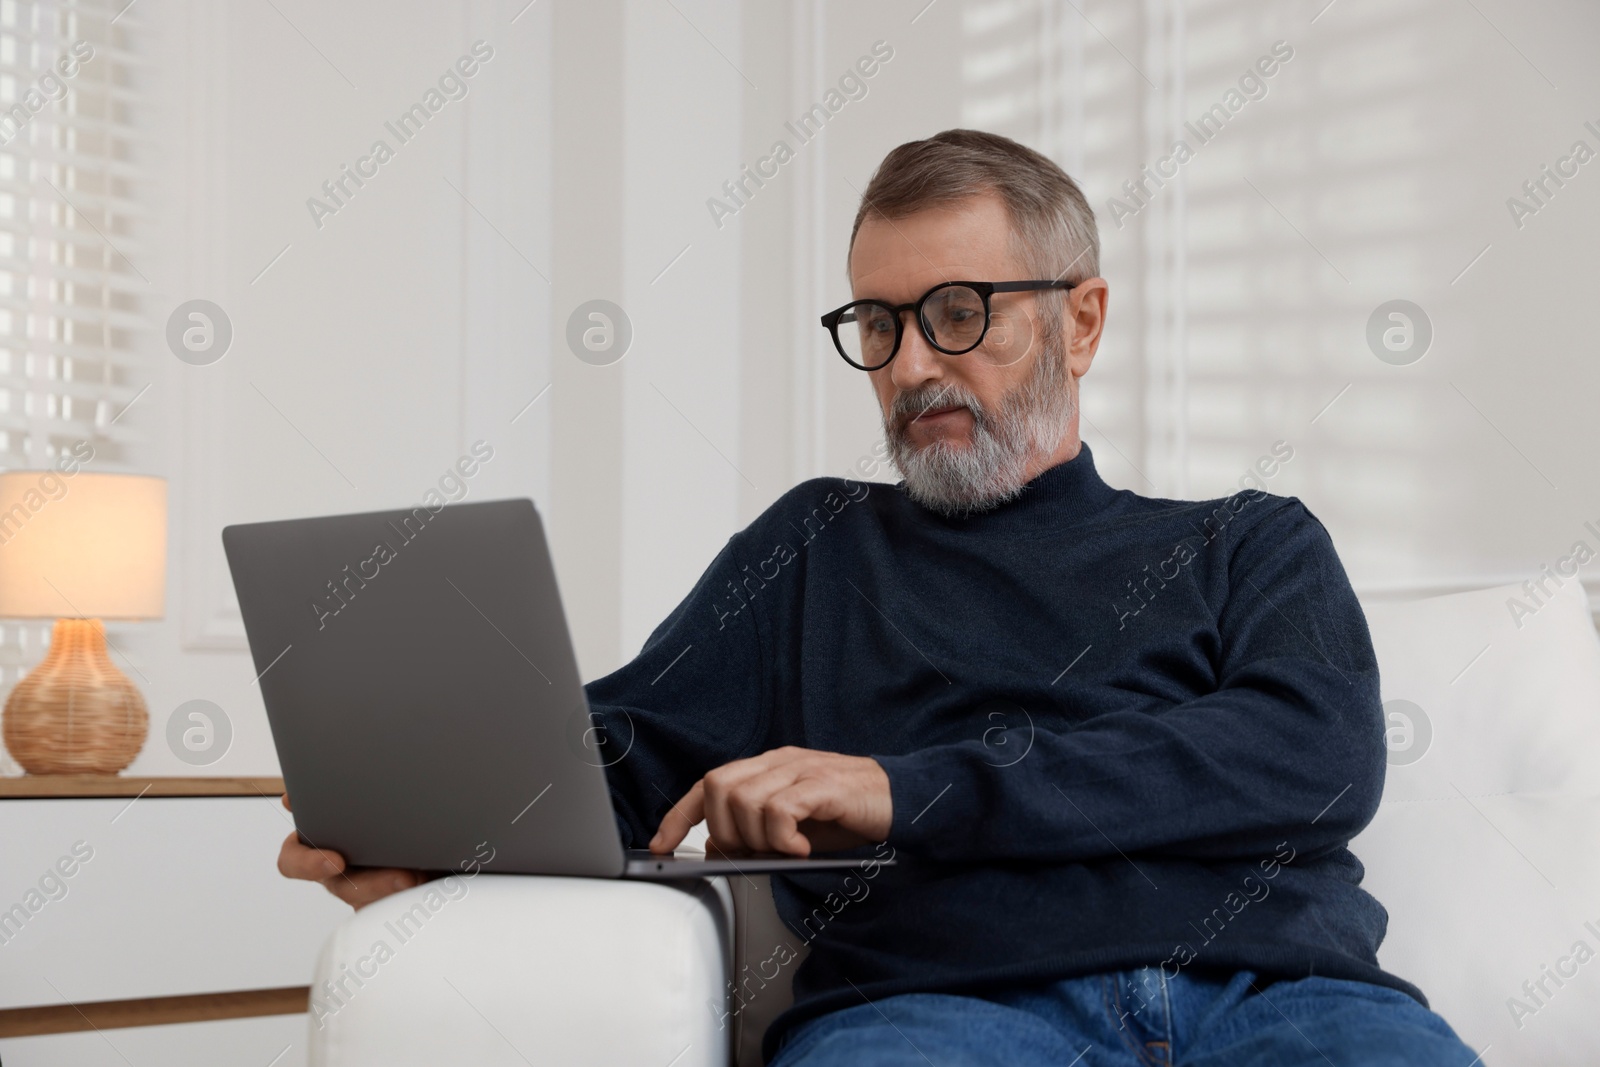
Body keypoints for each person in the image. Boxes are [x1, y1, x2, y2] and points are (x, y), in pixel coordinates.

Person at [280, 129, 1479, 1065]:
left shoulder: (1245, 541)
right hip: (939, 1014)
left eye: (959, 313)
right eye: (877, 320)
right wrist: (444, 833)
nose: (909, 365)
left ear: (1082, 319)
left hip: (1279, 1001)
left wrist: (903, 788)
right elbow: (619, 756)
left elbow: (1310, 753)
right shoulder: (814, 550)